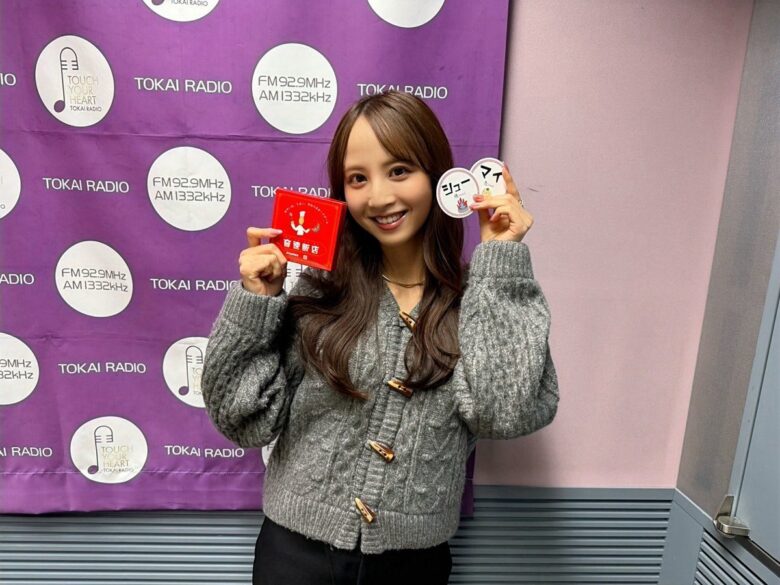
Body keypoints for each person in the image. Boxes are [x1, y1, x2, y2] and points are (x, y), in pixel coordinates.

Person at [201, 90, 559, 585]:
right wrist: (255, 303)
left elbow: (505, 413)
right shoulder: (317, 290)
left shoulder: (481, 300)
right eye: (357, 179)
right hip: (294, 556)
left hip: (413, 564)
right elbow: (243, 418)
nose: (379, 197)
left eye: (399, 171)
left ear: (436, 176)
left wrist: (501, 260)